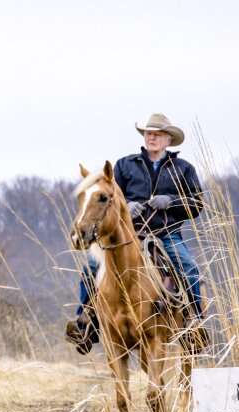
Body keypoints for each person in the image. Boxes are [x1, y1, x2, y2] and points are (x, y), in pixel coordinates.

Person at [65, 113, 205, 354]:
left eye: (157, 134)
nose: (151, 137)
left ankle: (194, 322)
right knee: (91, 266)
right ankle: (85, 322)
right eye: (148, 133)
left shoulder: (183, 169)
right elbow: (110, 196)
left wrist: (170, 201)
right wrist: (127, 206)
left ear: (168, 139)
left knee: (188, 266)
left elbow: (196, 203)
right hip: (129, 234)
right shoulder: (125, 165)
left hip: (166, 233)